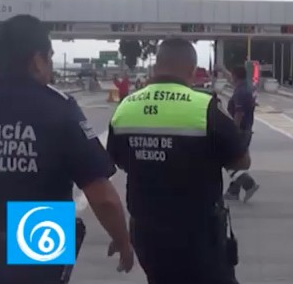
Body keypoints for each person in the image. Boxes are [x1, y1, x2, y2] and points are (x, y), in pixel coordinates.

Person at [0, 14, 133, 283]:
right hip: (39, 226)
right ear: (37, 60)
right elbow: (103, 197)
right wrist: (122, 240)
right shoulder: (57, 108)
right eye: (49, 58)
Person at [107, 38, 251, 284]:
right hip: (198, 234)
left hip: (146, 233)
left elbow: (117, 160)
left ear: (155, 67)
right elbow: (241, 161)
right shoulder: (205, 107)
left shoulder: (126, 108)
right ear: (192, 71)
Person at [224, 65, 260, 203]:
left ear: (235, 77)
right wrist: (222, 69)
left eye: (232, 76)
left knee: (229, 159)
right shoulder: (247, 89)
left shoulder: (240, 92)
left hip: (240, 130)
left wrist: (233, 130)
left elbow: (239, 113)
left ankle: (249, 184)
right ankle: (233, 192)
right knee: (238, 161)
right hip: (247, 129)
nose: (230, 79)